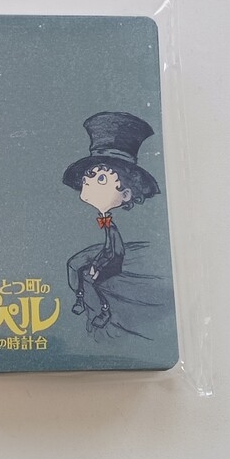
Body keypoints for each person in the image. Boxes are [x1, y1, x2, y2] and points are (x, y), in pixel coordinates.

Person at [63, 112, 160, 329]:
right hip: (103, 253)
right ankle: (80, 297)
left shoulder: (115, 226)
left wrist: (97, 266)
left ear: (125, 194)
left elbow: (115, 252)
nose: (88, 182)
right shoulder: (102, 218)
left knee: (90, 277)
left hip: (113, 260)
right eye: (89, 176)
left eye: (101, 178)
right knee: (73, 265)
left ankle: (103, 310)